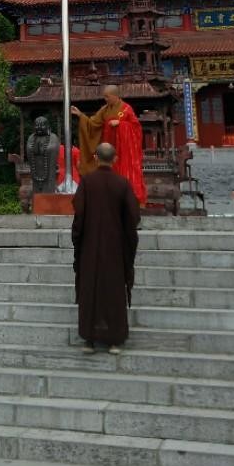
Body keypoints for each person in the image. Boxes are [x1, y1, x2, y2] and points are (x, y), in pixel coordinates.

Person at [72, 142, 140, 354]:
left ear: (95, 158)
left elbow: (79, 215)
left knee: (90, 289)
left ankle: (89, 340)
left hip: (90, 247)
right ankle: (114, 340)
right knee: (113, 290)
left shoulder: (87, 182)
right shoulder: (122, 183)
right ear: (115, 159)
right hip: (115, 248)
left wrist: (78, 242)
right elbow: (133, 216)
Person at [71, 84, 147, 205]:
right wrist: (80, 115)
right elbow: (92, 124)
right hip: (108, 151)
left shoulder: (126, 109)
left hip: (123, 151)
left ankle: (127, 201)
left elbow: (136, 128)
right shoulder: (104, 110)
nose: (105, 99)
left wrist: (121, 124)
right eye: (104, 97)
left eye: (107, 96)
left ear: (115, 96)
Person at [26, 114, 59, 194]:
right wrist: (34, 148)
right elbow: (29, 148)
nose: (39, 128)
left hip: (48, 167)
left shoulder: (53, 137)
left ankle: (49, 198)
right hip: (36, 166)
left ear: (48, 126)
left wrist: (44, 149)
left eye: (42, 125)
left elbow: (54, 148)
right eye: (37, 125)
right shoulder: (31, 137)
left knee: (48, 186)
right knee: (36, 186)